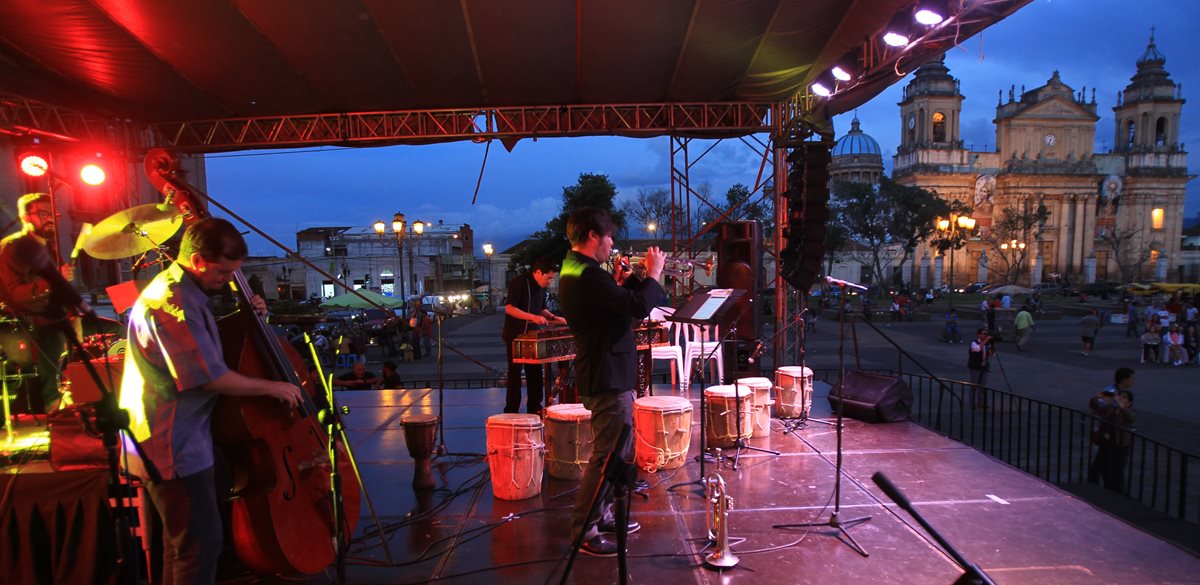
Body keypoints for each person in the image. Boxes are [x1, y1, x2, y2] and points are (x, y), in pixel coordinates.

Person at [119, 218, 304, 584]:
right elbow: (210, 377)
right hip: (173, 446)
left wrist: (250, 318)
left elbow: (208, 347)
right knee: (199, 548)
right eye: (223, 272)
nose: (228, 280)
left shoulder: (186, 293)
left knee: (184, 547)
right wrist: (273, 387)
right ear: (199, 260)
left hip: (178, 440)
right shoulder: (175, 303)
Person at [558, 207, 665, 557]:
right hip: (607, 375)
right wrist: (654, 273)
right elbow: (638, 307)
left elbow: (620, 304)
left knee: (614, 453)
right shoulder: (587, 275)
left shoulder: (578, 269)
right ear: (593, 237)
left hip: (603, 371)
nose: (613, 244)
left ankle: (601, 515)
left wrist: (631, 280)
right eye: (609, 237)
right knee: (607, 456)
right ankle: (583, 530)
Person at [502, 257, 567, 414]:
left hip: (533, 335)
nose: (550, 281)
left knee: (535, 373)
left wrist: (554, 318)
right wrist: (532, 317)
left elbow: (541, 309)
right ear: (538, 272)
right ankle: (511, 410)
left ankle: (535, 408)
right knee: (515, 374)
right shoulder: (518, 283)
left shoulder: (542, 287)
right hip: (515, 335)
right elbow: (509, 308)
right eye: (549, 277)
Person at [1088, 368, 1136, 492]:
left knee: (1103, 464)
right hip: (1112, 435)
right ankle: (1112, 491)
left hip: (1110, 435)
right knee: (1112, 467)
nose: (1133, 381)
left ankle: (1100, 487)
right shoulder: (1111, 392)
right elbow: (1097, 404)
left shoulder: (1114, 392)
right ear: (1124, 379)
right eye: (1131, 378)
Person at [967, 328, 993, 409]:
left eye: (986, 334)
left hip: (984, 367)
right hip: (975, 367)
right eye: (984, 333)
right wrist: (987, 340)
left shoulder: (987, 344)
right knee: (974, 386)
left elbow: (992, 354)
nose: (985, 335)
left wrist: (992, 347)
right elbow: (978, 349)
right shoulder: (974, 343)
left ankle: (981, 403)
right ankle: (972, 404)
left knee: (982, 386)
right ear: (979, 334)